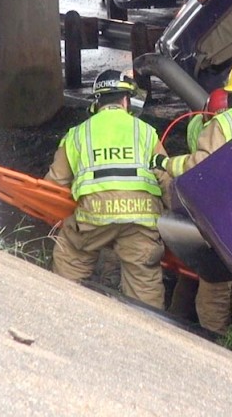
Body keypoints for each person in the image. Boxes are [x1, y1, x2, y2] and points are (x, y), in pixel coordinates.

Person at [155, 59, 232, 335]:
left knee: (214, 288)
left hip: (227, 216)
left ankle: (216, 345)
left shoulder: (223, 123)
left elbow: (199, 166)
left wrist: (165, 165)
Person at [45, 70, 169, 309]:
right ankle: (152, 334)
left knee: (70, 255)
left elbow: (54, 184)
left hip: (94, 216)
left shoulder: (78, 134)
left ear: (96, 102)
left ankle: (63, 312)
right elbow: (165, 178)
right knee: (144, 283)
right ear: (125, 101)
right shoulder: (145, 132)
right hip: (141, 218)